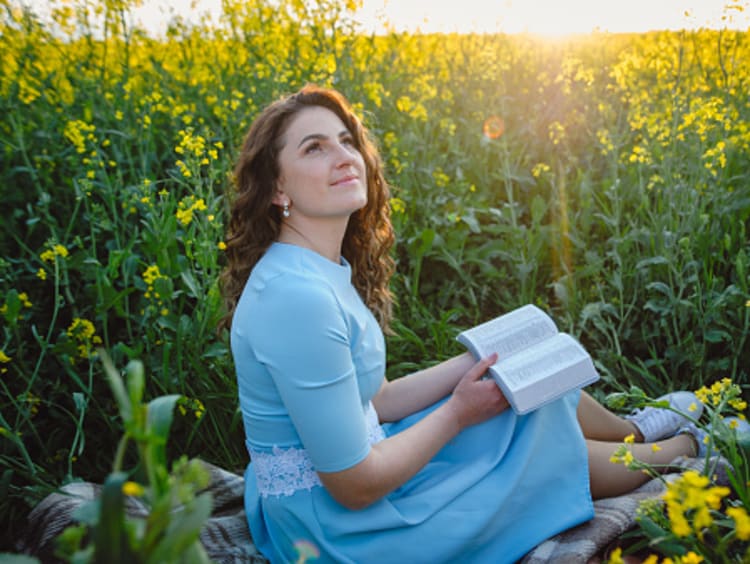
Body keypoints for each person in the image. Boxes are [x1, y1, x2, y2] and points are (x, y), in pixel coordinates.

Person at [220, 85, 703, 564]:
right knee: (527, 427)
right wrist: (457, 413)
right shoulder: (297, 298)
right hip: (342, 531)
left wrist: (483, 357)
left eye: (347, 141)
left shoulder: (314, 267)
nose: (345, 156)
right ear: (278, 187)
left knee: (520, 375)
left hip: (345, 484)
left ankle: (634, 434)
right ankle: (688, 450)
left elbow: (379, 399)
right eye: (315, 148)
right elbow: (355, 484)